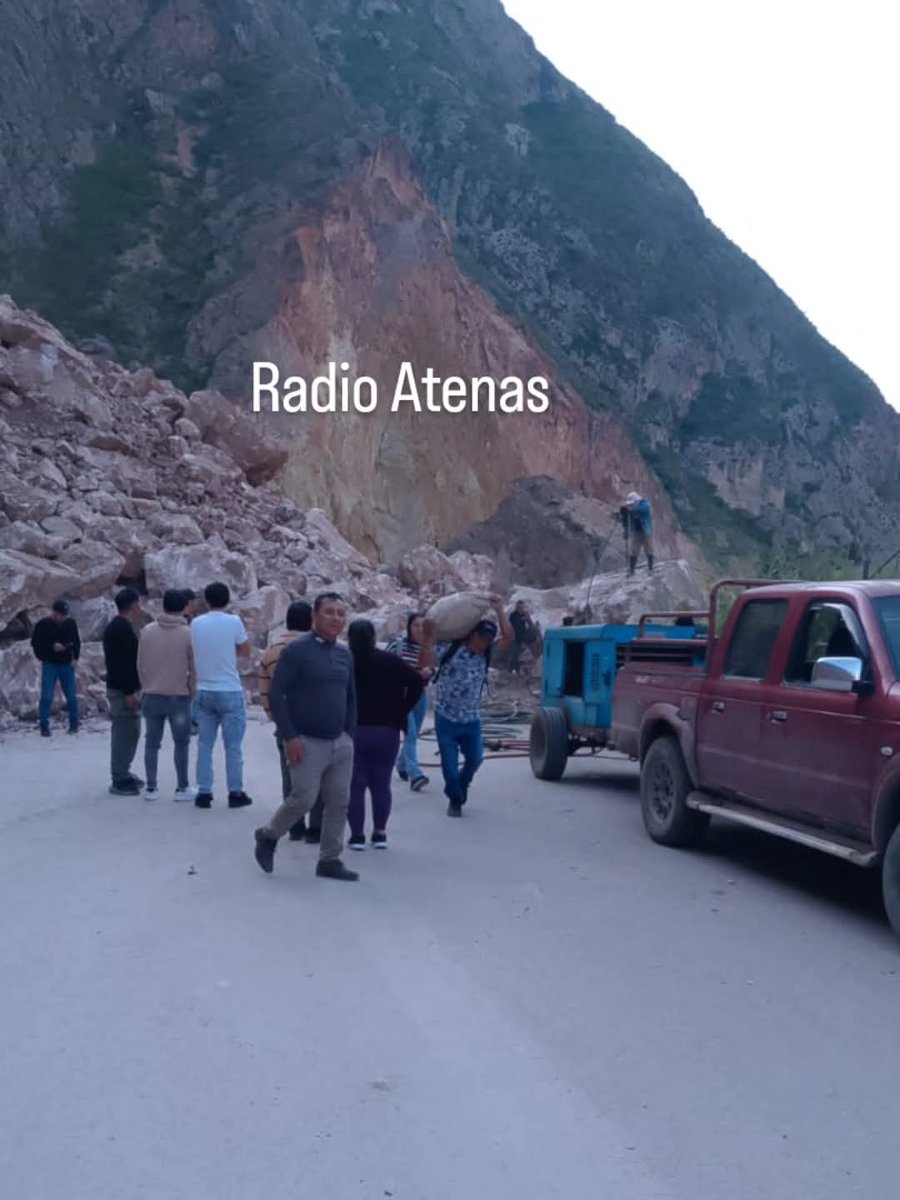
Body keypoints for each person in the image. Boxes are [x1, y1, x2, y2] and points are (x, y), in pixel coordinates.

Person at [253, 592, 358, 881]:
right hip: (306, 741)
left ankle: (330, 860)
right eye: (329, 612)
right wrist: (290, 736)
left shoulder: (344, 654)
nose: (336, 618)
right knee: (303, 798)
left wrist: (349, 735)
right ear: (315, 616)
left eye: (340, 613)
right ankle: (268, 835)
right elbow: (277, 694)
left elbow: (351, 697)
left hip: (340, 742)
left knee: (339, 801)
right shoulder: (297, 651)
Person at [420, 596, 513, 817]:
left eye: (489, 641)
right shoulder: (450, 649)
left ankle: (463, 784)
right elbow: (426, 661)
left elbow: (509, 638)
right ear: (473, 635)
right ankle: (455, 798)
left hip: (471, 719)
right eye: (482, 640)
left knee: (475, 759)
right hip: (446, 718)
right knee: (450, 768)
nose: (485, 644)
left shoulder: (486, 654)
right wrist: (428, 638)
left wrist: (500, 611)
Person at [346, 618, 425, 850]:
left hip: (355, 730)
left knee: (356, 785)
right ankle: (380, 833)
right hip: (386, 731)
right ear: (373, 637)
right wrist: (402, 709)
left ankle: (357, 835)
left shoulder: (345, 661)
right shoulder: (391, 661)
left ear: (350, 638)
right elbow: (417, 683)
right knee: (381, 784)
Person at [258, 600, 325, 842]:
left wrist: (276, 719)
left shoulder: (272, 650)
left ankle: (294, 825)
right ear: (312, 620)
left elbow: (265, 690)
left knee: (290, 776)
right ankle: (316, 829)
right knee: (318, 776)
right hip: (316, 724)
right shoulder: (320, 648)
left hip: (286, 725)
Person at [190, 581, 252, 809]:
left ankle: (204, 792)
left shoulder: (196, 623)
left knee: (205, 744)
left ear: (206, 601)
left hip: (204, 689)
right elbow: (245, 651)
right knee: (233, 746)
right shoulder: (234, 622)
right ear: (227, 600)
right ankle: (235, 792)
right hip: (228, 688)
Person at [137, 588, 196, 802]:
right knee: (181, 742)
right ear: (183, 608)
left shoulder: (147, 631)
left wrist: (146, 686)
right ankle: (182, 787)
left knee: (152, 742)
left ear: (163, 607)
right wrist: (192, 690)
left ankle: (151, 788)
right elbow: (193, 666)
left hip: (152, 694)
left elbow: (140, 663)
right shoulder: (188, 633)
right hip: (178, 696)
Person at [103, 587, 144, 796]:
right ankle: (119, 777)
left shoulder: (120, 627)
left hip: (122, 687)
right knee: (124, 733)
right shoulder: (121, 630)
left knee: (130, 731)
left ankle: (123, 772)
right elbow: (123, 664)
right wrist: (129, 692)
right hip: (122, 690)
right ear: (134, 605)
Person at [386, 612, 432, 791]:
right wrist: (411, 673)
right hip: (401, 697)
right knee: (411, 733)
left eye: (422, 626)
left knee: (415, 732)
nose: (419, 629)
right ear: (409, 627)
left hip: (420, 696)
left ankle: (402, 764)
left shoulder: (427, 649)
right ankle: (416, 774)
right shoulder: (397, 646)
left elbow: (434, 670)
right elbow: (384, 667)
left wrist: (428, 673)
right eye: (415, 625)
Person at [31, 599, 81, 737]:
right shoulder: (43, 625)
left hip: (66, 664)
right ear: (55, 613)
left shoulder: (70, 624)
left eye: (65, 615)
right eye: (61, 615)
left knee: (71, 696)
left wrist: (76, 658)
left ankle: (74, 725)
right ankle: (44, 727)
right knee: (46, 696)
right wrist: (50, 649)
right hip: (50, 664)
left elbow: (76, 641)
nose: (63, 618)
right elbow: (35, 644)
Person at [620, 491, 654, 575]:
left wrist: (631, 509)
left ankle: (651, 567)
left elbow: (643, 510)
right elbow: (628, 516)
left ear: (636, 501)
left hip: (646, 530)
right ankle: (631, 570)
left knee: (649, 549)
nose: (630, 505)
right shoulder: (633, 507)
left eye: (632, 503)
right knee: (634, 549)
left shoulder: (645, 504)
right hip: (637, 531)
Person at [507, 600, 540, 673]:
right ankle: (512, 670)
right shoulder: (513, 615)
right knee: (514, 654)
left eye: (522, 608)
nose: (521, 609)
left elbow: (530, 624)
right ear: (517, 608)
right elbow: (516, 628)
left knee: (535, 633)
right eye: (520, 608)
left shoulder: (523, 615)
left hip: (523, 635)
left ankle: (536, 658)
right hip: (516, 636)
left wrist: (528, 619)